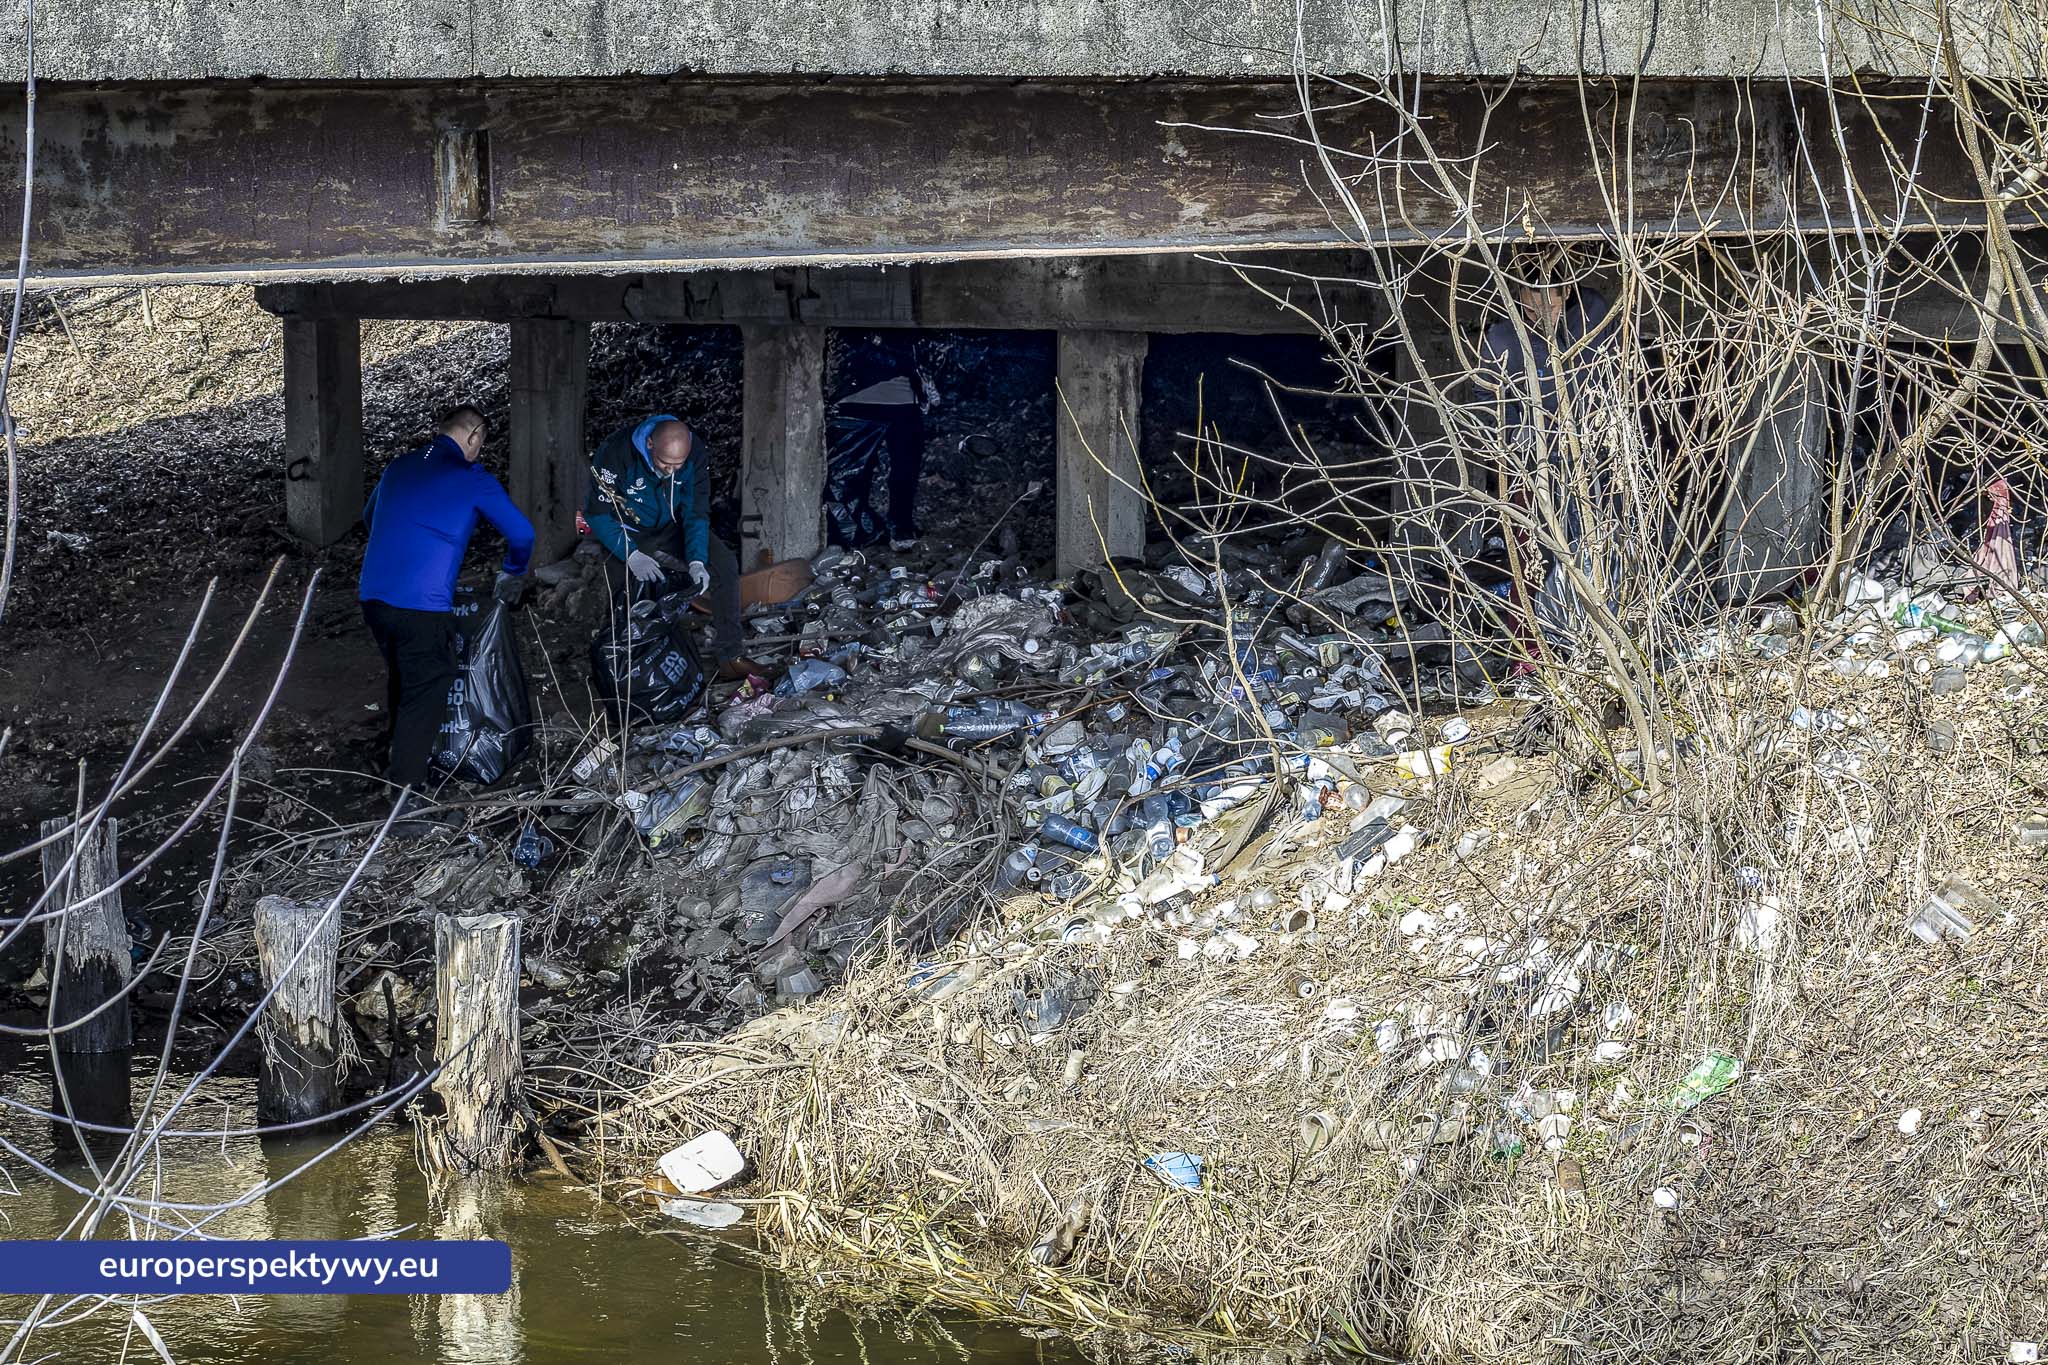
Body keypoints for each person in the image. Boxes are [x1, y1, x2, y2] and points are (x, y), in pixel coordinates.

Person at [359, 405, 534, 831]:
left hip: (374, 596)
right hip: (421, 604)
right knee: (428, 688)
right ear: (474, 437)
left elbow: (368, 518)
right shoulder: (472, 478)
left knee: (403, 676)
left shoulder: (399, 466)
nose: (480, 451)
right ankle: (406, 801)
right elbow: (522, 534)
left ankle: (399, 753)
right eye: (481, 443)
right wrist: (512, 571)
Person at [1473, 258, 1618, 655]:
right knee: (1532, 559)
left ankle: (1597, 643)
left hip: (1593, 460)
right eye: (1530, 303)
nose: (1541, 314)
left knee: (1598, 549)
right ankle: (1532, 651)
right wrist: (1514, 442)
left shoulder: (1593, 316)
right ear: (1517, 296)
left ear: (1566, 292)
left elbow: (1619, 374)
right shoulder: (1502, 338)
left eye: (1550, 304)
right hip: (1531, 466)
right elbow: (1486, 402)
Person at [583, 414, 759, 681]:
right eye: (665, 463)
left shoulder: (695, 452)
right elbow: (597, 514)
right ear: (650, 444)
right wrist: (631, 554)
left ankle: (730, 655)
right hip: (627, 528)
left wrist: (697, 560)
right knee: (624, 594)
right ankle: (624, 673)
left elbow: (696, 511)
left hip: (671, 524)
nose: (671, 471)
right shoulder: (616, 453)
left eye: (679, 465)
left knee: (724, 565)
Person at [826, 331, 933, 551]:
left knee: (902, 470)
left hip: (895, 401)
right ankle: (868, 531)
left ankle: (891, 527)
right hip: (862, 401)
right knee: (856, 475)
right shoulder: (852, 331)